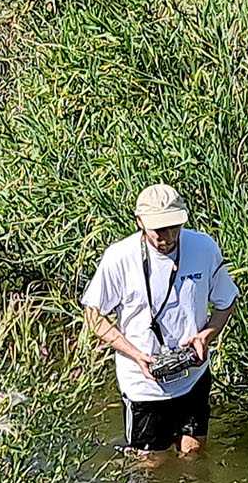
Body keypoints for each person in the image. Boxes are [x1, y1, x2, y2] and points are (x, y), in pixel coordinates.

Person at [81, 183, 237, 459]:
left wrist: (206, 336)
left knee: (194, 455)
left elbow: (227, 301)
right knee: (152, 466)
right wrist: (136, 355)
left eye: (174, 226)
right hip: (143, 386)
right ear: (140, 222)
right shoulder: (119, 258)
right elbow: (94, 316)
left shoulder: (204, 247)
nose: (167, 236)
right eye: (159, 229)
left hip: (193, 375)